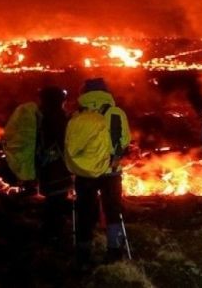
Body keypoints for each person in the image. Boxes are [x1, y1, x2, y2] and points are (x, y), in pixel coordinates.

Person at [65, 77, 132, 268]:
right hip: (110, 171)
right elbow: (124, 139)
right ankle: (114, 251)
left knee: (84, 211)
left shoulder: (76, 115)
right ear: (106, 92)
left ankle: (83, 254)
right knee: (113, 211)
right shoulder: (115, 112)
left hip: (84, 173)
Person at [36, 86, 73, 242]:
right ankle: (53, 233)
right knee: (57, 200)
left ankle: (50, 230)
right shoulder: (57, 117)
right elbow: (64, 142)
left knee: (52, 198)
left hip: (44, 165)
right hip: (57, 166)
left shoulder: (41, 115)